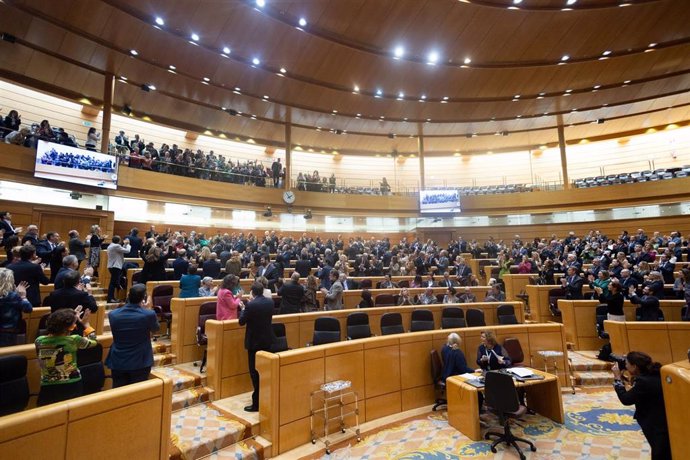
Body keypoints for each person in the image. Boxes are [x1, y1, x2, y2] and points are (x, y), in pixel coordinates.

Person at [612, 351, 671, 460]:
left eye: (627, 364)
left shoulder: (643, 381)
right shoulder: (657, 372)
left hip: (656, 423)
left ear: (634, 366)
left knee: (660, 453)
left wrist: (617, 379)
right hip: (667, 418)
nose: (625, 366)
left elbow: (626, 399)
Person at [35, 308, 97, 406]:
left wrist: (69, 317)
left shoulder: (39, 341)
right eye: (73, 325)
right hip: (71, 384)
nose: (75, 326)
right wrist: (86, 325)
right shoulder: (74, 339)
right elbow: (93, 342)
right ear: (68, 328)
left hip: (48, 385)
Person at [105, 284, 160, 388]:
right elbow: (155, 330)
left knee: (118, 393)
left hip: (118, 360)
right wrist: (147, 309)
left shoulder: (113, 314)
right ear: (144, 298)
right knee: (137, 395)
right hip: (140, 361)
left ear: (128, 295)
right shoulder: (149, 314)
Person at [238, 282, 274, 412]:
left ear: (252, 292)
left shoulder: (250, 305)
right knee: (265, 371)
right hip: (267, 341)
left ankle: (256, 404)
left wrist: (243, 308)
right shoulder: (270, 302)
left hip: (254, 343)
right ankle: (265, 399)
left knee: (255, 373)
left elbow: (241, 321)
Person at [0, 269, 31, 347]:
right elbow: (28, 309)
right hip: (7, 332)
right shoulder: (12, 296)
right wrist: (23, 296)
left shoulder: (12, 295)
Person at [106, 236, 131, 303]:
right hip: (115, 266)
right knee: (112, 283)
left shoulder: (111, 245)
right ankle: (110, 298)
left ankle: (112, 298)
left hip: (112, 266)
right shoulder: (116, 246)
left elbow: (122, 249)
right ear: (119, 241)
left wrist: (125, 244)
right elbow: (127, 251)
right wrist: (128, 244)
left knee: (113, 282)